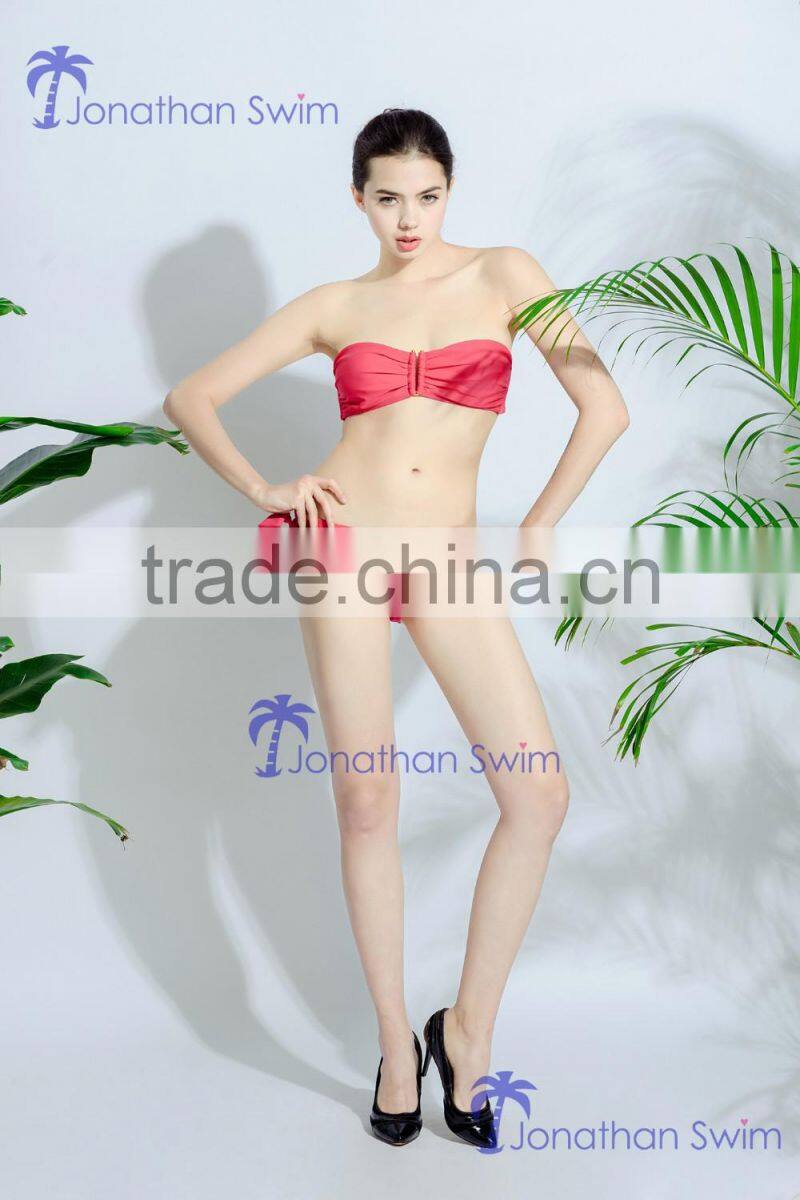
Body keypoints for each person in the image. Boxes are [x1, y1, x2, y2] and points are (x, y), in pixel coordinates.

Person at [163, 107, 629, 1147]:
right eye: (387, 199)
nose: (409, 218)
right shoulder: (337, 304)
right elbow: (191, 396)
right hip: (343, 551)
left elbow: (604, 407)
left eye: (427, 196)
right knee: (367, 799)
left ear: (449, 190)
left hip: (446, 561)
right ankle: (391, 1047)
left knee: (537, 795)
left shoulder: (506, 274)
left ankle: (466, 1033)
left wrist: (541, 520)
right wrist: (268, 490)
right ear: (358, 198)